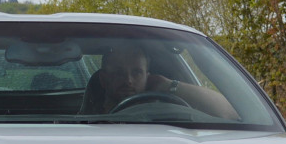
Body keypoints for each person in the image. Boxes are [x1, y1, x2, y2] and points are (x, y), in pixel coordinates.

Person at [94, 43, 239, 119]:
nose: (128, 80)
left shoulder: (168, 115)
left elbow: (231, 113)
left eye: (137, 72)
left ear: (147, 76)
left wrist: (167, 85)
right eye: (119, 73)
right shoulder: (84, 120)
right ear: (103, 79)